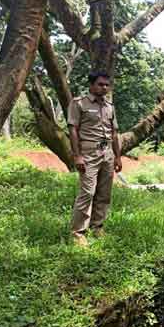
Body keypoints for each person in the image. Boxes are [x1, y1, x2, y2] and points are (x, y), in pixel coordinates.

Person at [68, 72, 122, 246]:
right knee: (87, 192)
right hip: (89, 152)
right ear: (91, 85)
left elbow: (114, 133)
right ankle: (78, 233)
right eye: (100, 84)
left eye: (107, 85)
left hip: (107, 153)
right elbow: (73, 130)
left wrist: (118, 157)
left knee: (104, 194)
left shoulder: (110, 106)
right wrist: (77, 155)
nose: (104, 88)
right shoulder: (79, 103)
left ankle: (97, 227)